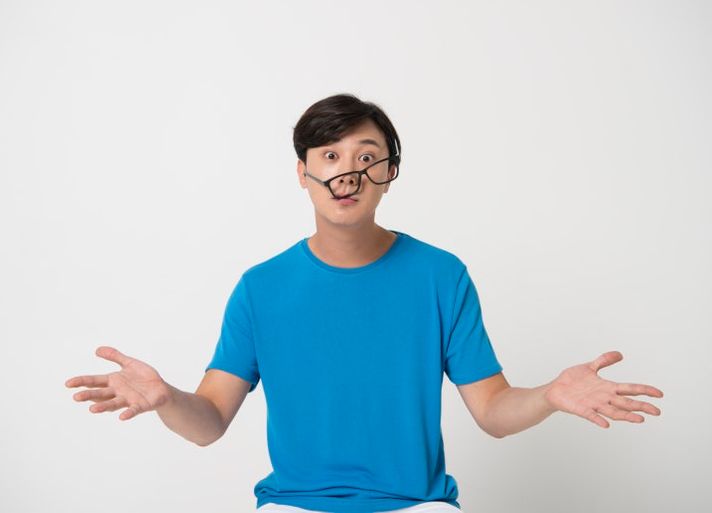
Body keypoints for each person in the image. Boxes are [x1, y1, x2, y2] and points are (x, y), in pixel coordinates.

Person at [65, 93, 664, 513]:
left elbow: (493, 411)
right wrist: (168, 399)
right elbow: (210, 423)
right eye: (329, 156)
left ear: (389, 171)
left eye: (365, 155)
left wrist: (550, 395)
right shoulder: (261, 287)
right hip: (293, 505)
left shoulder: (441, 276)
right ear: (302, 172)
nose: (347, 172)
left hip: (418, 505)